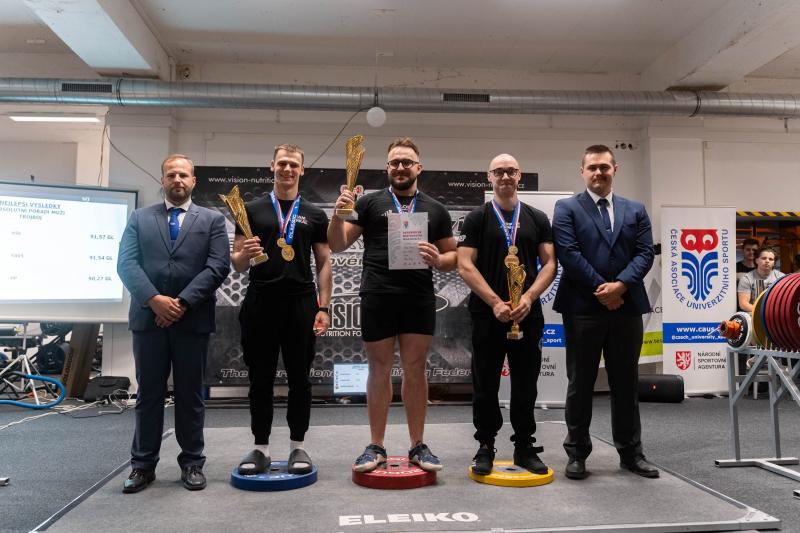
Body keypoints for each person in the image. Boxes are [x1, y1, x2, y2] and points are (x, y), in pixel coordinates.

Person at [328, 137, 457, 472]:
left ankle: (418, 445)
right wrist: (337, 215)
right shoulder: (369, 203)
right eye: (395, 162)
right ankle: (376, 446)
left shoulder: (436, 209)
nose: (400, 167)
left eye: (406, 162)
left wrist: (438, 259)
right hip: (378, 295)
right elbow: (338, 245)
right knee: (378, 369)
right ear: (387, 168)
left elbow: (453, 257)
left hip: (418, 297)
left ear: (418, 167)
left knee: (416, 369)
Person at [117, 154, 231, 493]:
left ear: (193, 180)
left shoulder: (212, 220)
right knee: (148, 395)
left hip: (191, 320)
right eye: (171, 175)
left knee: (190, 395)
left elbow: (218, 266)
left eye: (183, 175)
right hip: (148, 320)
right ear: (163, 180)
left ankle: (192, 463)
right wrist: (154, 300)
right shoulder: (139, 218)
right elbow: (126, 263)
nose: (177, 180)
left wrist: (180, 303)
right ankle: (142, 466)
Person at [552, 144, 657, 480]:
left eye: (604, 167)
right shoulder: (566, 208)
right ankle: (577, 453)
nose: (599, 172)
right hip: (582, 307)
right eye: (592, 167)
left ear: (615, 169)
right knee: (580, 382)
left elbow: (645, 253)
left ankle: (631, 453)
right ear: (582, 171)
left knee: (626, 383)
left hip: (627, 307)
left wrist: (620, 286)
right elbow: (568, 253)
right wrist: (604, 290)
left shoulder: (636, 209)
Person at [231, 144, 332, 475]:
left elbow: (324, 261)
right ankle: (260, 447)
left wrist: (324, 305)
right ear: (272, 166)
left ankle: (297, 446)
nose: (287, 169)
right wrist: (245, 253)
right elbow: (237, 263)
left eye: (293, 165)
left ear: (302, 170)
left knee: (300, 379)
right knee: (259, 378)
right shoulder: (250, 210)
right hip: (260, 300)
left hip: (301, 302)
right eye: (282, 164)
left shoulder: (315, 214)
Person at [457, 154, 557, 475]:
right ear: (489, 176)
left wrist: (528, 296)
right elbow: (464, 264)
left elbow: (550, 263)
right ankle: (485, 445)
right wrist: (494, 302)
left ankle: (524, 446)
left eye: (510, 171)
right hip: (488, 314)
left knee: (526, 383)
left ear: (519, 176)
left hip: (528, 313)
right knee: (485, 382)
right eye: (498, 171)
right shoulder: (476, 218)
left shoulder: (537, 218)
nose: (505, 176)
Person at [737, 246, 784, 313]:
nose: (767, 261)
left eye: (771, 259)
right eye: (764, 258)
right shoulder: (747, 278)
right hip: (755, 314)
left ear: (774, 263)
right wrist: (764, 312)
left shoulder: (782, 278)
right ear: (757, 261)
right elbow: (743, 304)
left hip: (776, 313)